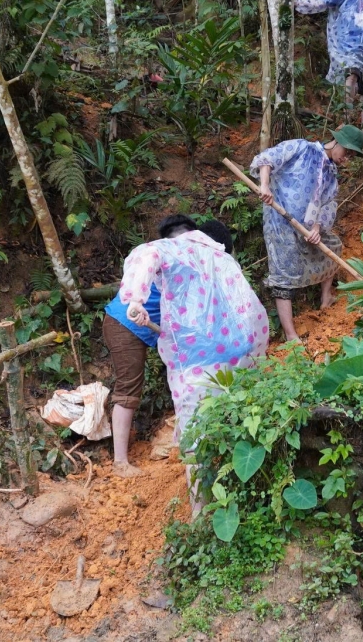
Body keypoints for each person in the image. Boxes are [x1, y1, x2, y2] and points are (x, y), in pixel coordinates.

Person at [118, 218, 268, 510]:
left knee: (196, 438)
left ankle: (200, 514)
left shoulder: (174, 249)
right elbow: (253, 314)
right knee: (238, 425)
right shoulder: (222, 258)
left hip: (197, 365)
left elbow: (146, 255)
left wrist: (136, 299)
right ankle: (247, 497)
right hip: (240, 355)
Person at [103, 215, 232, 479]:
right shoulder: (178, 261)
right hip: (125, 324)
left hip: (138, 325)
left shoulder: (178, 258)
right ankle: (120, 462)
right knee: (128, 389)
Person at [251, 126, 363, 343]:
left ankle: (326, 297)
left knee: (332, 247)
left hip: (307, 229)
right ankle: (291, 334)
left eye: (352, 156)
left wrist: (317, 228)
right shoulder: (301, 148)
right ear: (336, 142)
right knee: (284, 274)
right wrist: (264, 186)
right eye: (347, 152)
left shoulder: (331, 174)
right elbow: (266, 158)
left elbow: (328, 203)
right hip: (280, 223)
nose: (347, 159)